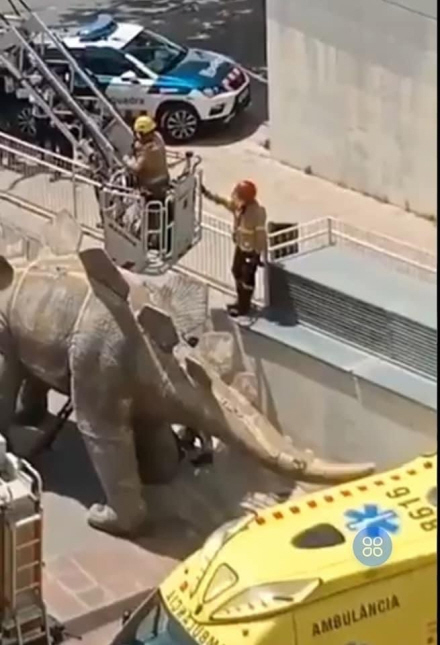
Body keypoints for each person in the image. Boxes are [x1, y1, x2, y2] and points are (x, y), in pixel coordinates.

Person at [202, 180, 267, 317]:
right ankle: (240, 300)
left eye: (239, 194)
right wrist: (206, 193)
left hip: (250, 251)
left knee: (247, 279)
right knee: (236, 271)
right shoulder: (239, 207)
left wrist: (257, 255)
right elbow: (223, 201)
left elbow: (261, 236)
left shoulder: (257, 213)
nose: (235, 197)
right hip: (240, 247)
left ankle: (244, 307)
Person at [123, 115, 170, 198]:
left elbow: (137, 168)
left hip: (151, 186)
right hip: (164, 179)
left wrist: (127, 160)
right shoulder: (158, 137)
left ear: (141, 134)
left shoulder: (146, 149)